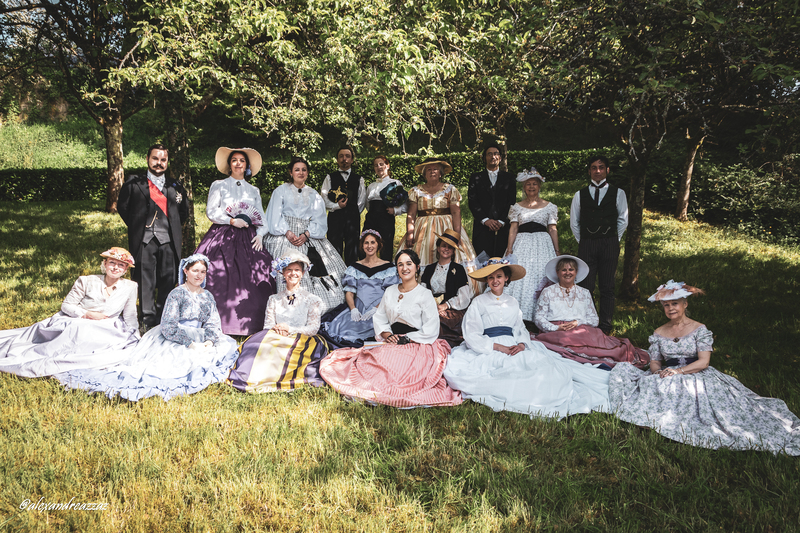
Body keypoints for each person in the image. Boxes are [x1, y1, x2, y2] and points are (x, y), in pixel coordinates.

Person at [609, 281, 800, 455]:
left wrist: (678, 372)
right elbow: (656, 361)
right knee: (645, 382)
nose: (670, 308)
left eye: (675, 303)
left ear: (685, 304)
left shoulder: (699, 329)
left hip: (696, 372)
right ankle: (659, 421)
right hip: (669, 373)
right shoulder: (659, 332)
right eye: (666, 305)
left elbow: (704, 362)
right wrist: (658, 371)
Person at [56, 254, 239, 401]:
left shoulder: (207, 296)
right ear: (186, 271)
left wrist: (209, 339)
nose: (199, 275)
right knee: (167, 367)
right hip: (175, 336)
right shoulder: (177, 294)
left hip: (201, 335)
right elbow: (168, 327)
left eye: (203, 272)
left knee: (220, 351)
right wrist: (190, 343)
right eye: (195, 271)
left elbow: (213, 322)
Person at [443, 257, 610, 418]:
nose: (495, 281)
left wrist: (522, 344)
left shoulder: (512, 302)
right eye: (491, 277)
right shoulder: (479, 302)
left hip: (512, 342)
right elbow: (471, 332)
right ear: (487, 280)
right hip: (489, 344)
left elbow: (519, 327)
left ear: (506, 278)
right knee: (497, 370)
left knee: (538, 368)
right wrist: (497, 347)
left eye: (499, 276)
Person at [319, 249, 462, 408]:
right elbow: (380, 317)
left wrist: (407, 338)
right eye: (400, 264)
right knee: (372, 364)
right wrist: (386, 334)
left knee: (398, 368)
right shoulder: (390, 291)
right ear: (397, 269)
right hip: (391, 339)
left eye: (409, 263)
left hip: (417, 341)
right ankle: (364, 392)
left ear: (417, 267)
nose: (405, 268)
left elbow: (431, 328)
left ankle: (381, 395)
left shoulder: (424, 294)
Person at [0, 247, 140, 377]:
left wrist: (136, 335)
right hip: (78, 320)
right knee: (78, 329)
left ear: (126, 269)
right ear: (105, 263)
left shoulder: (130, 287)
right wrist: (87, 314)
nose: (115, 267)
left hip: (107, 326)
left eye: (121, 265)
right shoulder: (87, 281)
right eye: (112, 263)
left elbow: (130, 315)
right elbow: (67, 305)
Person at [194, 147, 276, 336]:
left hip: (249, 236)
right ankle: (219, 322)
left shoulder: (253, 190)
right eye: (234, 160)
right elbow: (211, 211)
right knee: (218, 268)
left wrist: (261, 234)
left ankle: (251, 321)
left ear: (247, 165)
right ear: (229, 164)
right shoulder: (219, 185)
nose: (238, 163)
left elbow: (262, 218)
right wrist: (231, 220)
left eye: (242, 160)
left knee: (260, 267)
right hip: (223, 233)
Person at [228, 251, 329, 392]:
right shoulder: (274, 299)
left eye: (297, 270)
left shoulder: (312, 299)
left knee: (286, 353)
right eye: (289, 270)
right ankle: (253, 377)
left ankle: (278, 377)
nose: (293, 273)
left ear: (303, 273)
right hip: (277, 335)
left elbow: (313, 328)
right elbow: (268, 325)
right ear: (282, 272)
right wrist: (278, 329)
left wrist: (290, 329)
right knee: (258, 346)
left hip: (302, 338)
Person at [118, 143, 190, 329]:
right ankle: (147, 321)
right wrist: (137, 226)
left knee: (167, 280)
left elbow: (183, 212)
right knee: (145, 281)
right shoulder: (134, 183)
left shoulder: (176, 186)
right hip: (144, 240)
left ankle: (163, 321)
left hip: (168, 241)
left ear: (167, 162)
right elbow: (123, 208)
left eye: (163, 159)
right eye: (155, 159)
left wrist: (169, 227)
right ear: (148, 159)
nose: (159, 163)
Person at [263, 156, 346, 314]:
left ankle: (317, 307)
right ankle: (285, 308)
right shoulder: (280, 191)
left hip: (307, 235)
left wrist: (307, 234)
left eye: (304, 170)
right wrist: (287, 232)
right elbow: (274, 215)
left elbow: (320, 220)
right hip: (284, 233)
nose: (300, 173)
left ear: (307, 173)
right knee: (283, 265)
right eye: (297, 170)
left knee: (320, 266)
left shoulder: (314, 194)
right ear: (291, 172)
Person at [534, 256, 649, 368]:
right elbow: (538, 317)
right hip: (556, 330)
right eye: (564, 270)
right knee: (566, 340)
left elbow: (594, 320)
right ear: (558, 272)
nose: (567, 273)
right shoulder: (548, 292)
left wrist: (577, 323)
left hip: (581, 328)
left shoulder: (584, 292)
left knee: (601, 343)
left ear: (576, 272)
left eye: (571, 269)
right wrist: (556, 328)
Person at [402, 158, 480, 293]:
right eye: (429, 170)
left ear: (441, 173)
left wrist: (456, 234)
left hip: (446, 228)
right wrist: (410, 232)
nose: (432, 172)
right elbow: (411, 214)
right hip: (423, 230)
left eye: (435, 169)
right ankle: (419, 291)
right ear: (424, 173)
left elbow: (456, 212)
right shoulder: (416, 191)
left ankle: (455, 292)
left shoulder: (450, 189)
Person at [570, 154, 628, 334]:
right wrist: (584, 240)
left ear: (607, 170)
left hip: (609, 243)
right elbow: (574, 222)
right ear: (589, 171)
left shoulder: (618, 193)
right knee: (586, 285)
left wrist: (613, 239)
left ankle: (606, 325)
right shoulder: (579, 195)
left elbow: (623, 219)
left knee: (607, 286)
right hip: (587, 243)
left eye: (601, 167)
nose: (597, 171)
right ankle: (588, 322)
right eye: (594, 167)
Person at [319, 230, 399, 348]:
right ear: (362, 245)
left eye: (373, 242)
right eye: (366, 243)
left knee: (378, 328)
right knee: (344, 329)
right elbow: (350, 292)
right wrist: (353, 309)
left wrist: (376, 309)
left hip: (380, 307)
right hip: (359, 308)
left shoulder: (388, 267)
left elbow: (391, 293)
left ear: (378, 245)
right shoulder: (354, 268)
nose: (369, 246)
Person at [505, 168, 559, 322]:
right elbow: (513, 228)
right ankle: (517, 316)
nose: (531, 187)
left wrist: (556, 250)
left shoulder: (549, 207)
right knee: (519, 276)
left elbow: (552, 229)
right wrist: (510, 249)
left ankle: (542, 317)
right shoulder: (516, 207)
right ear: (523, 187)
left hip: (542, 243)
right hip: (521, 242)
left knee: (540, 274)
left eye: (534, 184)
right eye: (528, 184)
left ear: (539, 186)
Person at [420, 229, 473, 347]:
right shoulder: (429, 269)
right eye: (444, 246)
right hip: (430, 306)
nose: (446, 249)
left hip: (452, 309)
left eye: (450, 247)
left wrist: (446, 305)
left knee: (439, 321)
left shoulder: (458, 269)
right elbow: (422, 291)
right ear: (438, 248)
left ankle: (441, 346)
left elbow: (464, 296)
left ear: (453, 251)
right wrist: (430, 305)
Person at [468, 143, 517, 258]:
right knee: (483, 261)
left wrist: (501, 220)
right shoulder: (475, 177)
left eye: (496, 154)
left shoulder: (509, 178)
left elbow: (512, 201)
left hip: (504, 228)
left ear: (500, 157)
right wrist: (485, 220)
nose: (493, 157)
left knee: (503, 260)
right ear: (484, 158)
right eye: (489, 154)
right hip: (482, 228)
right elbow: (472, 201)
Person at [320, 146, 366, 266]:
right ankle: (335, 273)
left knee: (353, 246)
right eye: (341, 156)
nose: (344, 159)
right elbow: (324, 198)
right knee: (334, 246)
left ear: (352, 160)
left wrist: (353, 212)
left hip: (353, 218)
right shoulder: (329, 177)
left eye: (347, 156)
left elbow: (361, 200)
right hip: (335, 217)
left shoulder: (359, 179)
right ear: (337, 159)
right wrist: (336, 206)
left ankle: (352, 274)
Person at [362, 155, 407, 261]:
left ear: (387, 166)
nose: (379, 167)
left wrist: (395, 210)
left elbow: (405, 205)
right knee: (367, 243)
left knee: (386, 246)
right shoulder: (371, 186)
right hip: (371, 218)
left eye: (381, 164)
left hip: (386, 217)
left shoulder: (395, 183)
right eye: (376, 165)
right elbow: (367, 204)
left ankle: (385, 270)